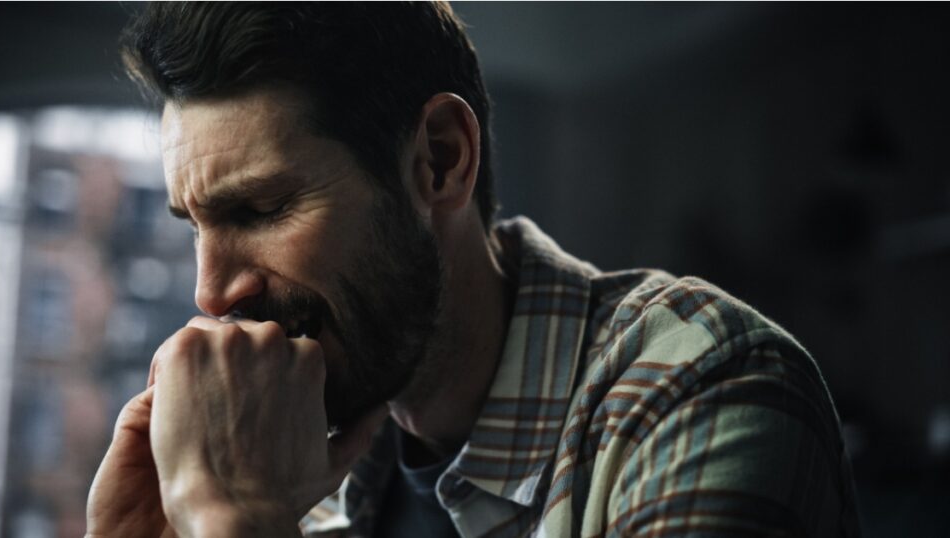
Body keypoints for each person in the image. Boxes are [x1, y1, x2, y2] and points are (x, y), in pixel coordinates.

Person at [86, 3, 860, 537]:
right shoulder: (304, 485)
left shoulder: (705, 390)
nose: (211, 291)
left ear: (439, 160)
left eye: (258, 210)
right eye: (197, 226)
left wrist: (237, 520)